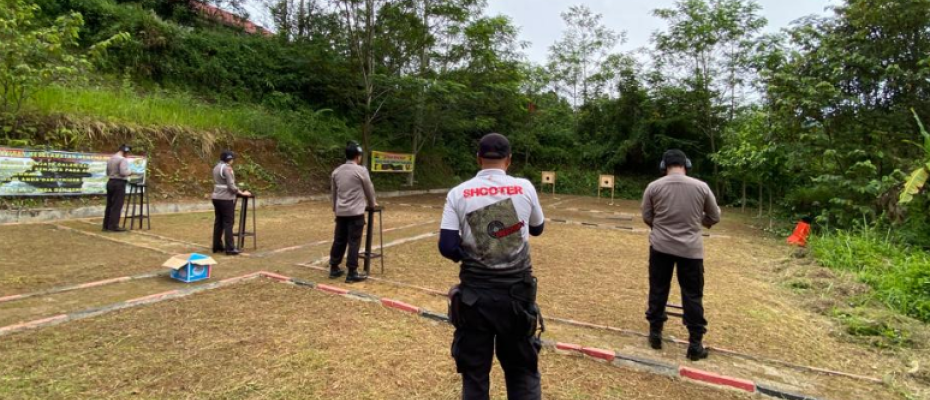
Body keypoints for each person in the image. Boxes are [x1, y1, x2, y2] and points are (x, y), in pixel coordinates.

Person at [439, 133, 546, 400]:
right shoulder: (525, 187)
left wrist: (476, 250)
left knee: (475, 375)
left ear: (478, 159)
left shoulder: (458, 193)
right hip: (517, 297)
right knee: (522, 372)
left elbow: (447, 246)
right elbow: (538, 228)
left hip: (475, 298)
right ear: (509, 160)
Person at [641, 149, 721, 361]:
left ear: (663, 166)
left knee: (658, 289)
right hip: (691, 250)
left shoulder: (653, 187)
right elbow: (714, 216)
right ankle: (695, 344)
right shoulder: (701, 187)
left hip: (660, 247)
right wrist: (697, 221)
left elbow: (647, 216)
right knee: (692, 295)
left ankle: (655, 334)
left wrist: (661, 227)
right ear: (686, 164)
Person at [328, 141, 378, 283]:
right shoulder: (361, 171)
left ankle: (334, 267)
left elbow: (334, 193)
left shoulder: (336, 171)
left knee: (339, 240)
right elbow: (369, 189)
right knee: (354, 242)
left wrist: (335, 208)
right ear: (358, 156)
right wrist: (372, 203)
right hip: (355, 212)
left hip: (341, 212)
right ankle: (352, 272)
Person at [212, 150, 250, 256]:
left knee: (218, 222)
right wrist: (241, 192)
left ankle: (217, 246)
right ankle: (230, 248)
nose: (233, 160)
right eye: (232, 158)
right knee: (228, 223)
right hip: (226, 198)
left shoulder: (216, 167)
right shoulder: (227, 168)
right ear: (229, 159)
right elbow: (231, 185)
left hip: (216, 197)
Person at [102, 144, 133, 232]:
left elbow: (107, 172)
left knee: (109, 204)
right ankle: (113, 226)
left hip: (110, 182)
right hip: (119, 183)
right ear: (125, 152)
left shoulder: (111, 158)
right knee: (117, 205)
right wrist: (130, 172)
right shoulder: (123, 160)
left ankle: (106, 225)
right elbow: (123, 172)